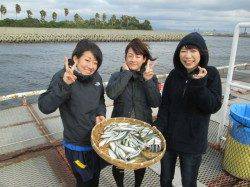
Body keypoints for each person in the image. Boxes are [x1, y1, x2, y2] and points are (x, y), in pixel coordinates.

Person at [155, 32, 222, 187]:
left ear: (202, 53)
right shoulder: (173, 75)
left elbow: (212, 106)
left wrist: (199, 84)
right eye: (183, 51)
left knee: (189, 182)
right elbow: (165, 106)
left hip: (193, 142)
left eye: (193, 51)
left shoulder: (211, 74)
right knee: (165, 180)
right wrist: (159, 127)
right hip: (169, 138)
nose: (187, 56)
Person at [38, 39, 106, 187]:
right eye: (87, 60)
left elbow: (100, 100)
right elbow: (44, 107)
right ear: (75, 58)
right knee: (84, 181)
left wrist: (101, 114)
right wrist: (64, 85)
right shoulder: (62, 76)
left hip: (96, 141)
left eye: (95, 62)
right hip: (77, 147)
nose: (91, 66)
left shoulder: (97, 77)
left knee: (95, 177)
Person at [106, 38, 161, 187]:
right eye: (130, 55)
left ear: (144, 59)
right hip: (119, 129)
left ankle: (137, 185)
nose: (133, 59)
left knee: (140, 162)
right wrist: (126, 74)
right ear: (125, 57)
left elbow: (156, 102)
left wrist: (148, 81)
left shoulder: (150, 76)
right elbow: (111, 93)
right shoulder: (116, 76)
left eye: (138, 56)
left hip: (142, 129)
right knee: (119, 163)